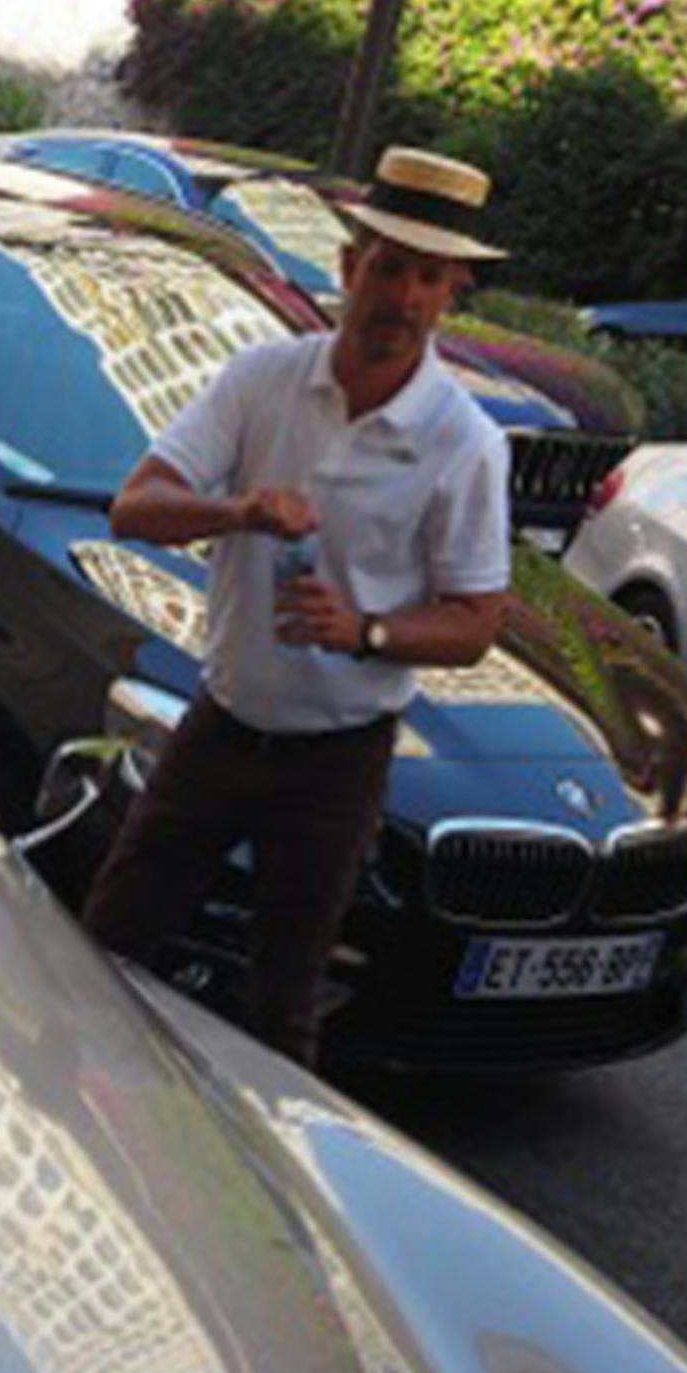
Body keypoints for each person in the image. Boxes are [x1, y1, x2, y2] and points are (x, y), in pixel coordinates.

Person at [81, 145, 512, 1073]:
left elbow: (477, 621)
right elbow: (135, 507)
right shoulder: (265, 377)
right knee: (110, 940)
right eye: (388, 267)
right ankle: (72, 1125)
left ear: (449, 296)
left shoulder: (463, 442)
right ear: (350, 268)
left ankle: (267, 1189)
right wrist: (238, 509)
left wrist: (365, 632)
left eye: (427, 277)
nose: (401, 294)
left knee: (284, 1001)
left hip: (338, 759)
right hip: (224, 724)